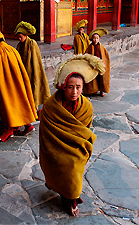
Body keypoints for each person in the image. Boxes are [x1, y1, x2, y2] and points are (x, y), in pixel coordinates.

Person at [39, 54, 105, 216]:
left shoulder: (86, 106)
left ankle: (71, 198)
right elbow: (46, 132)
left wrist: (79, 146)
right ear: (63, 87)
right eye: (70, 87)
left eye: (78, 87)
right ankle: (68, 198)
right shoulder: (51, 106)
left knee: (73, 167)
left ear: (83, 88)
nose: (74, 92)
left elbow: (84, 130)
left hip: (77, 146)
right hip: (55, 146)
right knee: (62, 165)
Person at [0, 27, 37, 141]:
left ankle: (12, 126)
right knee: (20, 101)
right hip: (18, 81)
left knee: (10, 105)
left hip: (8, 84)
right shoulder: (11, 49)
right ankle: (28, 125)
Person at [14, 21, 51, 110]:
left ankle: (34, 107)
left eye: (21, 37)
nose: (19, 39)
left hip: (32, 69)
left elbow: (35, 59)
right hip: (23, 70)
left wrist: (34, 71)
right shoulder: (19, 45)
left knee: (34, 87)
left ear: (26, 35)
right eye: (18, 37)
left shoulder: (32, 43)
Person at [84, 28, 110, 97]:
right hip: (93, 65)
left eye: (97, 38)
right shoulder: (90, 47)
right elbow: (86, 56)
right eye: (94, 38)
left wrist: (103, 63)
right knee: (93, 79)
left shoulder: (101, 47)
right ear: (92, 39)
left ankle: (101, 91)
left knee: (101, 78)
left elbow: (105, 57)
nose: (95, 40)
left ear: (99, 39)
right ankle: (92, 90)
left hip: (100, 65)